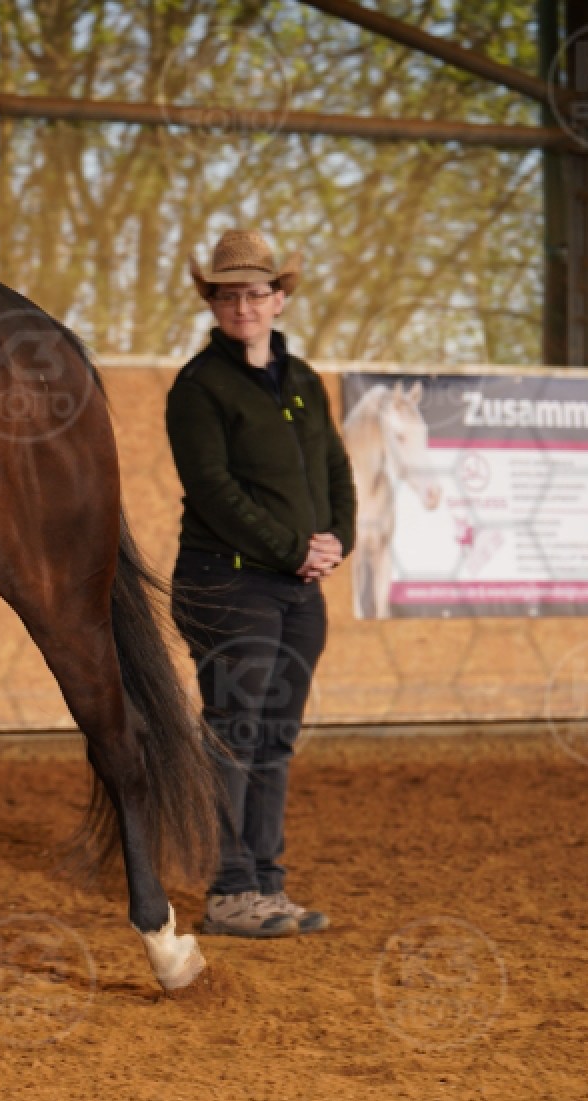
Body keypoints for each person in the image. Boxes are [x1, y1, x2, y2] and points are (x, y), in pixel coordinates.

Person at [165, 230, 357, 940]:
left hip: (297, 592)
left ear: (279, 299)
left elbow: (335, 470)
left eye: (253, 293)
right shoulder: (198, 388)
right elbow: (213, 490)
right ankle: (229, 893)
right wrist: (292, 549)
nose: (241, 306)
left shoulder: (302, 379)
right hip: (227, 584)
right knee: (235, 734)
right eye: (226, 296)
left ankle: (266, 885)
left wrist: (337, 540)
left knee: (274, 737)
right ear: (212, 303)